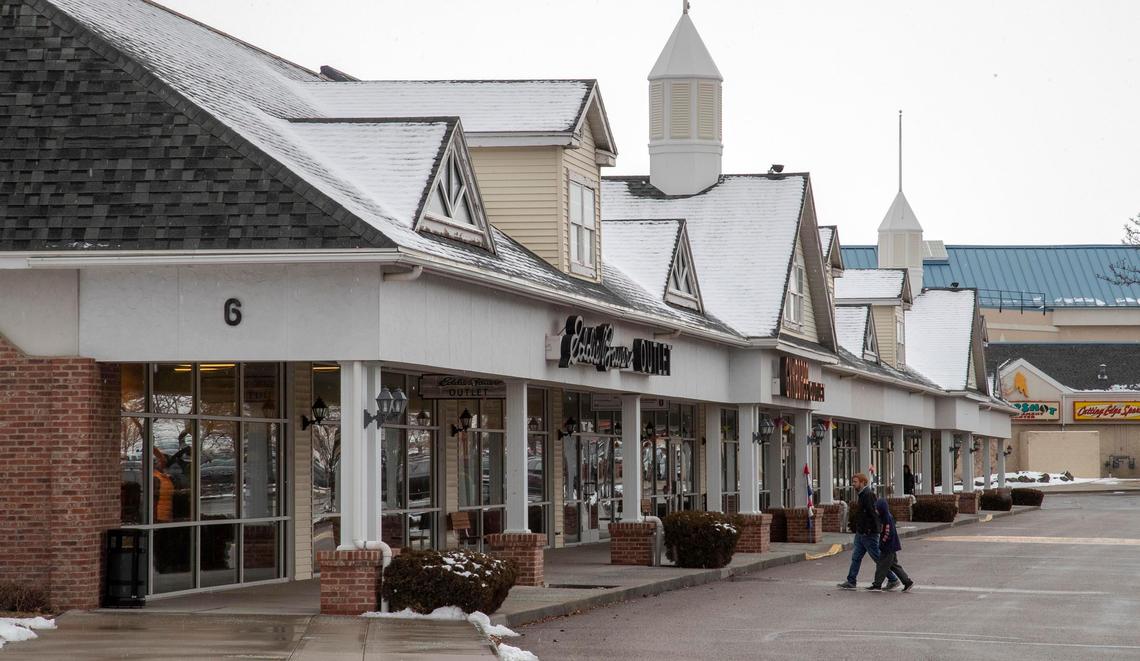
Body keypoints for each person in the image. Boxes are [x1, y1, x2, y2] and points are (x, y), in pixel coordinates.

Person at [836, 472, 898, 590]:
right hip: (861, 533)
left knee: (877, 557)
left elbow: (873, 514)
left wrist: (871, 529)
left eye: (855, 482)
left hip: (868, 533)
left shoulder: (868, 495)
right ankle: (851, 580)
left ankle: (893, 579)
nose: (853, 484)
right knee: (856, 557)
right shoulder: (862, 494)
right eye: (853, 482)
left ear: (863, 482)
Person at [867, 498, 914, 592]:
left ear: (882, 508)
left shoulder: (886, 518)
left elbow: (887, 533)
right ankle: (907, 582)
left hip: (888, 546)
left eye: (877, 508)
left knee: (881, 565)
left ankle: (877, 584)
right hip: (892, 546)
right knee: (893, 565)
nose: (876, 511)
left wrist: (882, 543)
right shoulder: (886, 517)